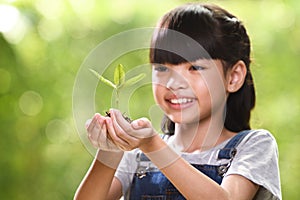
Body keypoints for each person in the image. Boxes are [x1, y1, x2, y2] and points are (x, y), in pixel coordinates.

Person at [74, 3, 281, 200]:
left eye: (194, 68)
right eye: (162, 69)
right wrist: (111, 151)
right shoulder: (136, 156)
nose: (174, 83)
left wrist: (153, 145)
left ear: (233, 77)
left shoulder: (254, 146)